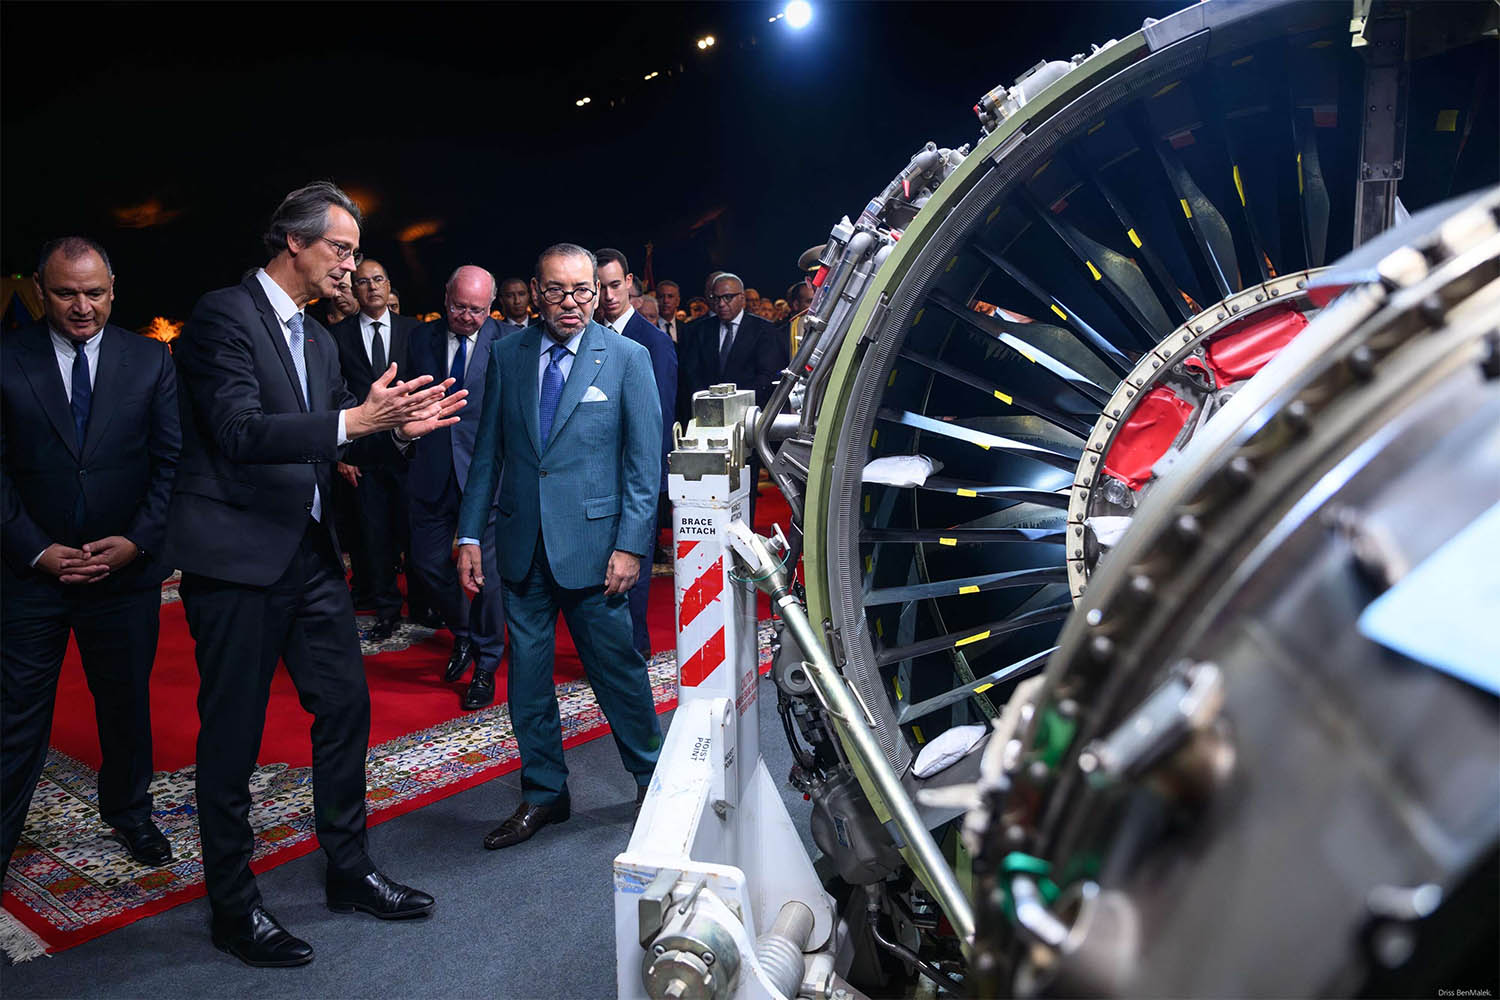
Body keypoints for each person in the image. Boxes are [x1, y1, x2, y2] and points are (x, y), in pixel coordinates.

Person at [165, 182, 459, 968]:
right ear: (292, 242)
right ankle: (234, 907)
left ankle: (350, 869)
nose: (351, 265)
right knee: (232, 739)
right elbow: (237, 431)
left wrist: (393, 431)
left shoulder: (321, 340)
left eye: (356, 252)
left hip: (311, 557)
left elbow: (339, 439)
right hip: (236, 561)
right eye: (340, 249)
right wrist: (355, 419)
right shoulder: (224, 316)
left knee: (346, 709)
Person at [456, 243, 662, 849]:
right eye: (555, 290)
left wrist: (631, 545)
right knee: (527, 682)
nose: (569, 303)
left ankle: (654, 782)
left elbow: (643, 465)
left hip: (599, 553)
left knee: (618, 675)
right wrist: (471, 532)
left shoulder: (627, 358)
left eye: (581, 291)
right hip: (522, 547)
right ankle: (545, 792)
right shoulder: (509, 353)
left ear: (597, 294)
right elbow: (489, 450)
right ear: (536, 292)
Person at [1, 237, 180, 875]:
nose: (82, 306)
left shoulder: (152, 360)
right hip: (29, 579)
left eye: (95, 292)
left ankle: (131, 814)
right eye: (66, 293)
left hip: (122, 575)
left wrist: (136, 541)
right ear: (40, 294)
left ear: (113, 289)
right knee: (15, 719)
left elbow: (170, 464)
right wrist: (37, 550)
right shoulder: (6, 358)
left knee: (125, 705)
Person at [406, 266, 510, 710]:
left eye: (476, 310)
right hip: (431, 468)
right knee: (427, 565)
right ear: (445, 297)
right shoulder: (419, 339)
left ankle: (486, 662)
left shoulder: (507, 341)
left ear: (490, 308)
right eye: (458, 307)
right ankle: (463, 633)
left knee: (485, 576)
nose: (466, 317)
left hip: (485, 475)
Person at [330, 258, 419, 640]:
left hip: (411, 450)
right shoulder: (338, 336)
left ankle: (423, 602)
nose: (371, 288)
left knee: (415, 532)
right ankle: (386, 609)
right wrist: (343, 454)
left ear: (388, 284)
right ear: (354, 289)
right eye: (362, 282)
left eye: (378, 280)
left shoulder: (414, 331)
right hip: (364, 453)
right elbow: (336, 394)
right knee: (374, 535)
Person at [595, 248, 676, 658]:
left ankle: (634, 657)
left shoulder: (654, 343)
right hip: (593, 479)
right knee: (600, 575)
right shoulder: (587, 336)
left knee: (633, 575)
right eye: (600, 287)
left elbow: (657, 424)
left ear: (629, 282)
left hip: (634, 480)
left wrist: (648, 485)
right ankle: (610, 655)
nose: (608, 295)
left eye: (614, 285)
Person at [678, 272, 787, 520]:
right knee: (707, 487)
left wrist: (735, 410)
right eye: (715, 298)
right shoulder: (698, 331)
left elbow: (766, 378)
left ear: (742, 298)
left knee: (743, 487)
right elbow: (691, 376)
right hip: (705, 426)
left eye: (728, 297)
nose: (721, 304)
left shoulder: (764, 331)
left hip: (745, 426)